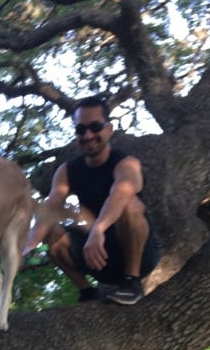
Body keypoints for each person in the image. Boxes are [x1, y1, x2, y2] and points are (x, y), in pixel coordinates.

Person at [24, 96, 160, 305]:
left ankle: (131, 283)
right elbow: (51, 205)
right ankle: (87, 291)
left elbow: (120, 193)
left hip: (140, 256)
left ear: (109, 129)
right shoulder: (66, 170)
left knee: (130, 204)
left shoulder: (127, 164)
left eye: (95, 127)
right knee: (55, 224)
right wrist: (28, 246)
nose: (88, 135)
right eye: (80, 129)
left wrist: (98, 230)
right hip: (98, 259)